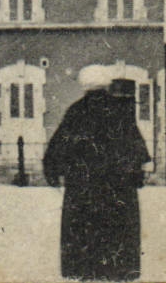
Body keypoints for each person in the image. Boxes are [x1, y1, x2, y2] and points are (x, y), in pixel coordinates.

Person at [43, 65, 151, 281]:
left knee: (85, 233)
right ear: (107, 83)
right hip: (117, 188)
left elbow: (58, 146)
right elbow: (135, 145)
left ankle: (84, 270)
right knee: (116, 234)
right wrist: (138, 172)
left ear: (84, 85)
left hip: (84, 187)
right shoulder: (121, 110)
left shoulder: (76, 111)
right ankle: (118, 271)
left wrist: (52, 172)